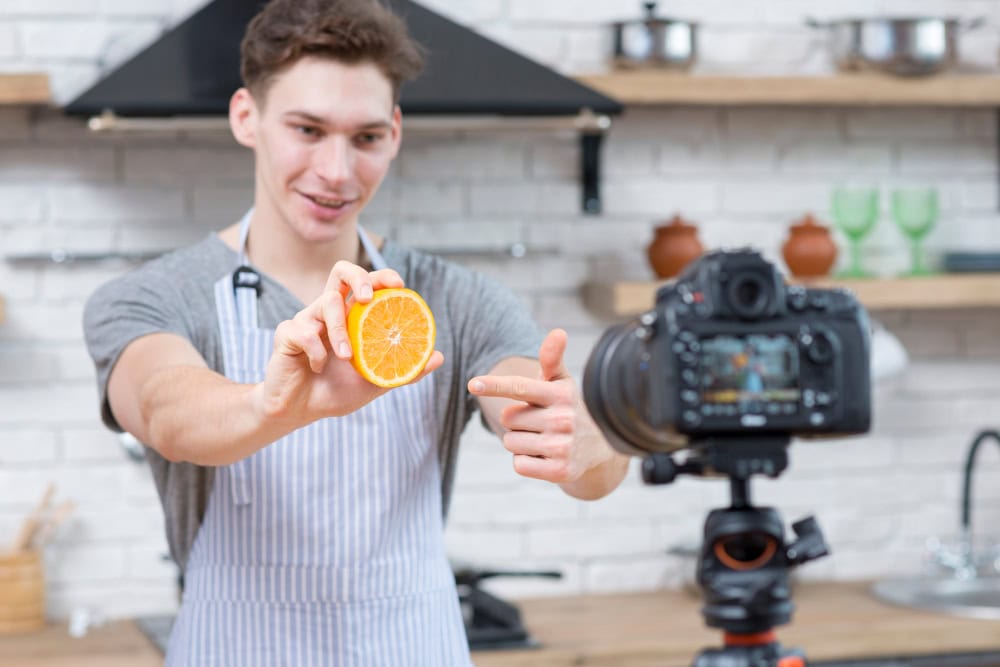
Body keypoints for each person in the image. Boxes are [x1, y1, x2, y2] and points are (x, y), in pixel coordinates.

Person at [82, 0, 629, 664]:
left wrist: (591, 441)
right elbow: (169, 409)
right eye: (307, 129)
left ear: (394, 133)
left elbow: (574, 446)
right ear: (245, 117)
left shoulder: (456, 302)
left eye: (365, 137)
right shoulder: (154, 297)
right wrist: (272, 405)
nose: (338, 171)